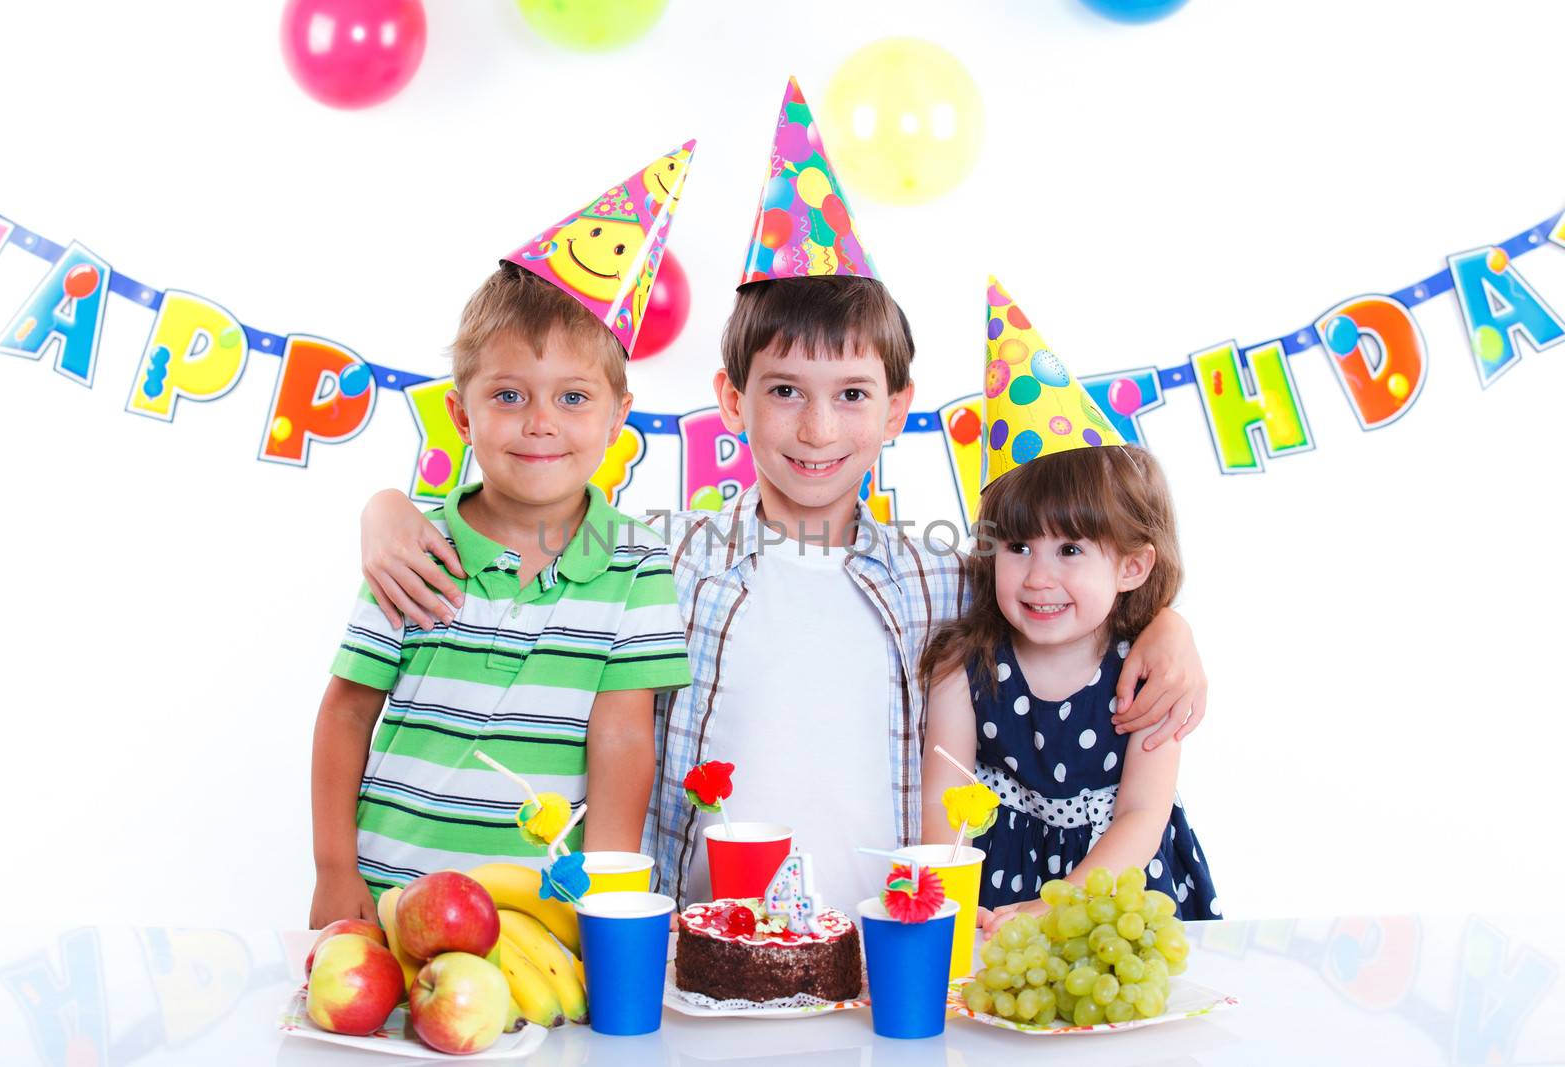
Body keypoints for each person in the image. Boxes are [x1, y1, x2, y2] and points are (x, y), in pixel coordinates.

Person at [352, 81, 1208, 913]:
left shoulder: (946, 575)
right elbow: (528, 531)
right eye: (786, 390)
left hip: (885, 945)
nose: (817, 429)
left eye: (851, 394)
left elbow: (1079, 600)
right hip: (700, 945)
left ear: (898, 410)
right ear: (733, 400)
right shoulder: (660, 558)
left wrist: (1169, 627)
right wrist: (388, 508)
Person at [308, 149, 696, 926]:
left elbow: (622, 740)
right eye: (509, 394)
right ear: (462, 414)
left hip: (539, 914)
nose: (541, 421)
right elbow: (347, 711)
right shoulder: (414, 550)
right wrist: (332, 869)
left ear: (619, 418)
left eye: (573, 396)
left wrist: (610, 899)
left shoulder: (636, 564)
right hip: (389, 895)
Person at [920, 279, 1218, 934]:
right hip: (994, 898)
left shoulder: (1143, 670)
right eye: (1019, 545)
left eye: (1073, 550)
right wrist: (949, 903)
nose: (1039, 577)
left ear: (1132, 564)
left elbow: (1143, 811)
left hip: (1117, 890)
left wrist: (1061, 907)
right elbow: (944, 794)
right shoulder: (963, 666)